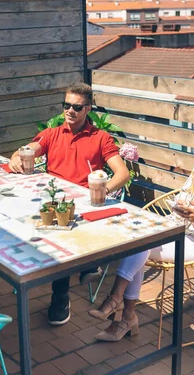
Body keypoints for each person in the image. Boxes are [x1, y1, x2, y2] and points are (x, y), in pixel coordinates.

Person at [89, 106, 194, 341]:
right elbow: (187, 192)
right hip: (182, 226)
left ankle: (116, 302)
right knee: (139, 238)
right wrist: (182, 205)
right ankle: (125, 314)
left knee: (142, 244)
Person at [9, 82, 130, 325]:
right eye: (66, 105)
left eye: (76, 107)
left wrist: (102, 190)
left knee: (60, 231)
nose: (70, 111)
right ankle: (83, 264)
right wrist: (15, 158)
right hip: (52, 199)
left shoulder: (101, 138)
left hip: (83, 203)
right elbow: (26, 151)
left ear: (88, 109)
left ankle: (61, 295)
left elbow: (123, 173)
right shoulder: (52, 133)